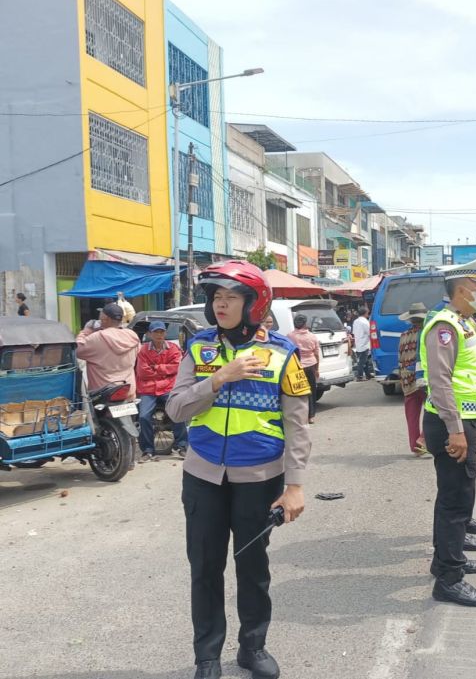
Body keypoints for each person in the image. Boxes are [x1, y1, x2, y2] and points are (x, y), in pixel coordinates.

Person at [166, 260, 312, 679]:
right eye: (216, 297)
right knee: (205, 568)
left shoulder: (283, 354)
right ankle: (207, 656)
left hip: (260, 480)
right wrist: (217, 380)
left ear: (254, 303)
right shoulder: (199, 349)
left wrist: (295, 486)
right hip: (203, 477)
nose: (221, 304)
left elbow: (297, 425)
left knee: (253, 568)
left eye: (231, 297)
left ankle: (253, 647)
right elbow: (176, 409)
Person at [421, 255, 476, 607]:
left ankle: (446, 561)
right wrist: (456, 430)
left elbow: (470, 379)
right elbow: (440, 382)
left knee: (456, 496)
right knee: (455, 501)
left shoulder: (464, 324)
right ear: (463, 290)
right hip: (453, 424)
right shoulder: (445, 326)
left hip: (467, 420)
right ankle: (449, 579)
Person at [136, 321, 188, 462]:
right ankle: (147, 450)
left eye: (161, 332)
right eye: (156, 332)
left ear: (165, 333)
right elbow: (143, 372)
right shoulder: (143, 350)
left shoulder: (173, 348)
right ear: (150, 334)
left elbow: (176, 367)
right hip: (148, 388)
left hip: (167, 387)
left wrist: (156, 368)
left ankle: (182, 445)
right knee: (143, 416)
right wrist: (165, 370)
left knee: (178, 410)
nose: (159, 335)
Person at [76, 303, 141, 399]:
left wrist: (86, 332)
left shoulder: (97, 337)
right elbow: (139, 352)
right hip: (128, 390)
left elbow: (77, 350)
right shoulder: (132, 335)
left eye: (101, 315)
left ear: (106, 319)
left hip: (102, 393)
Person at [398, 302, 428, 456]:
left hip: (406, 380)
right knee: (433, 412)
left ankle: (415, 447)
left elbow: (400, 358)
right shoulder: (427, 333)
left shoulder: (403, 336)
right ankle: (423, 440)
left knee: (412, 416)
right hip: (423, 378)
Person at [287, 313, 320, 424]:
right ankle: (311, 416)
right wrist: (316, 369)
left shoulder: (290, 336)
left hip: (297, 366)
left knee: (299, 391)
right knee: (311, 391)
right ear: (305, 324)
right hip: (311, 365)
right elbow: (316, 354)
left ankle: (300, 416)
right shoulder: (312, 336)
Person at [352, 305, 374, 381]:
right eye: (368, 312)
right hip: (364, 344)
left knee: (365, 360)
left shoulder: (356, 321)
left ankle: (368, 375)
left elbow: (354, 332)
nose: (368, 314)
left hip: (358, 343)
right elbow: (370, 333)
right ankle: (360, 376)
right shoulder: (365, 322)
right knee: (362, 361)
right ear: (365, 313)